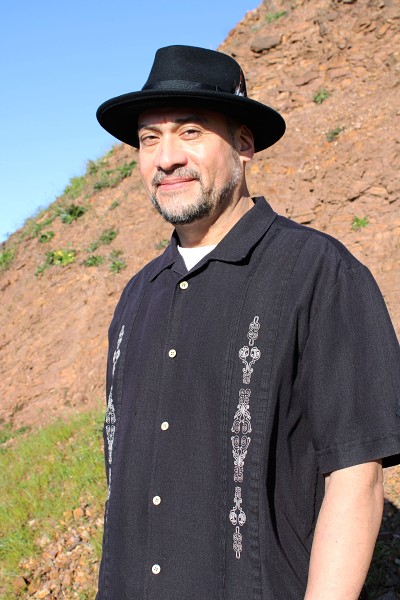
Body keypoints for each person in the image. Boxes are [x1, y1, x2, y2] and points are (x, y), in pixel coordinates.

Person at [95, 45, 400, 600]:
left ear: (243, 144)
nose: (166, 158)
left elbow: (358, 477)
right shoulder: (137, 296)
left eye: (190, 132)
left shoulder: (319, 272)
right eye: (149, 138)